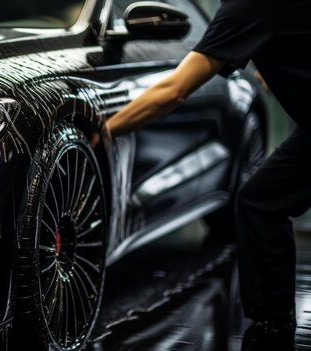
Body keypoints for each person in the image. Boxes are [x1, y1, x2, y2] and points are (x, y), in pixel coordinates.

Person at [107, 0, 311, 344]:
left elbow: (174, 91)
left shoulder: (247, 7)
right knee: (259, 201)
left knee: (260, 202)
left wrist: (107, 129)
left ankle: (273, 327)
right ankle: (273, 320)